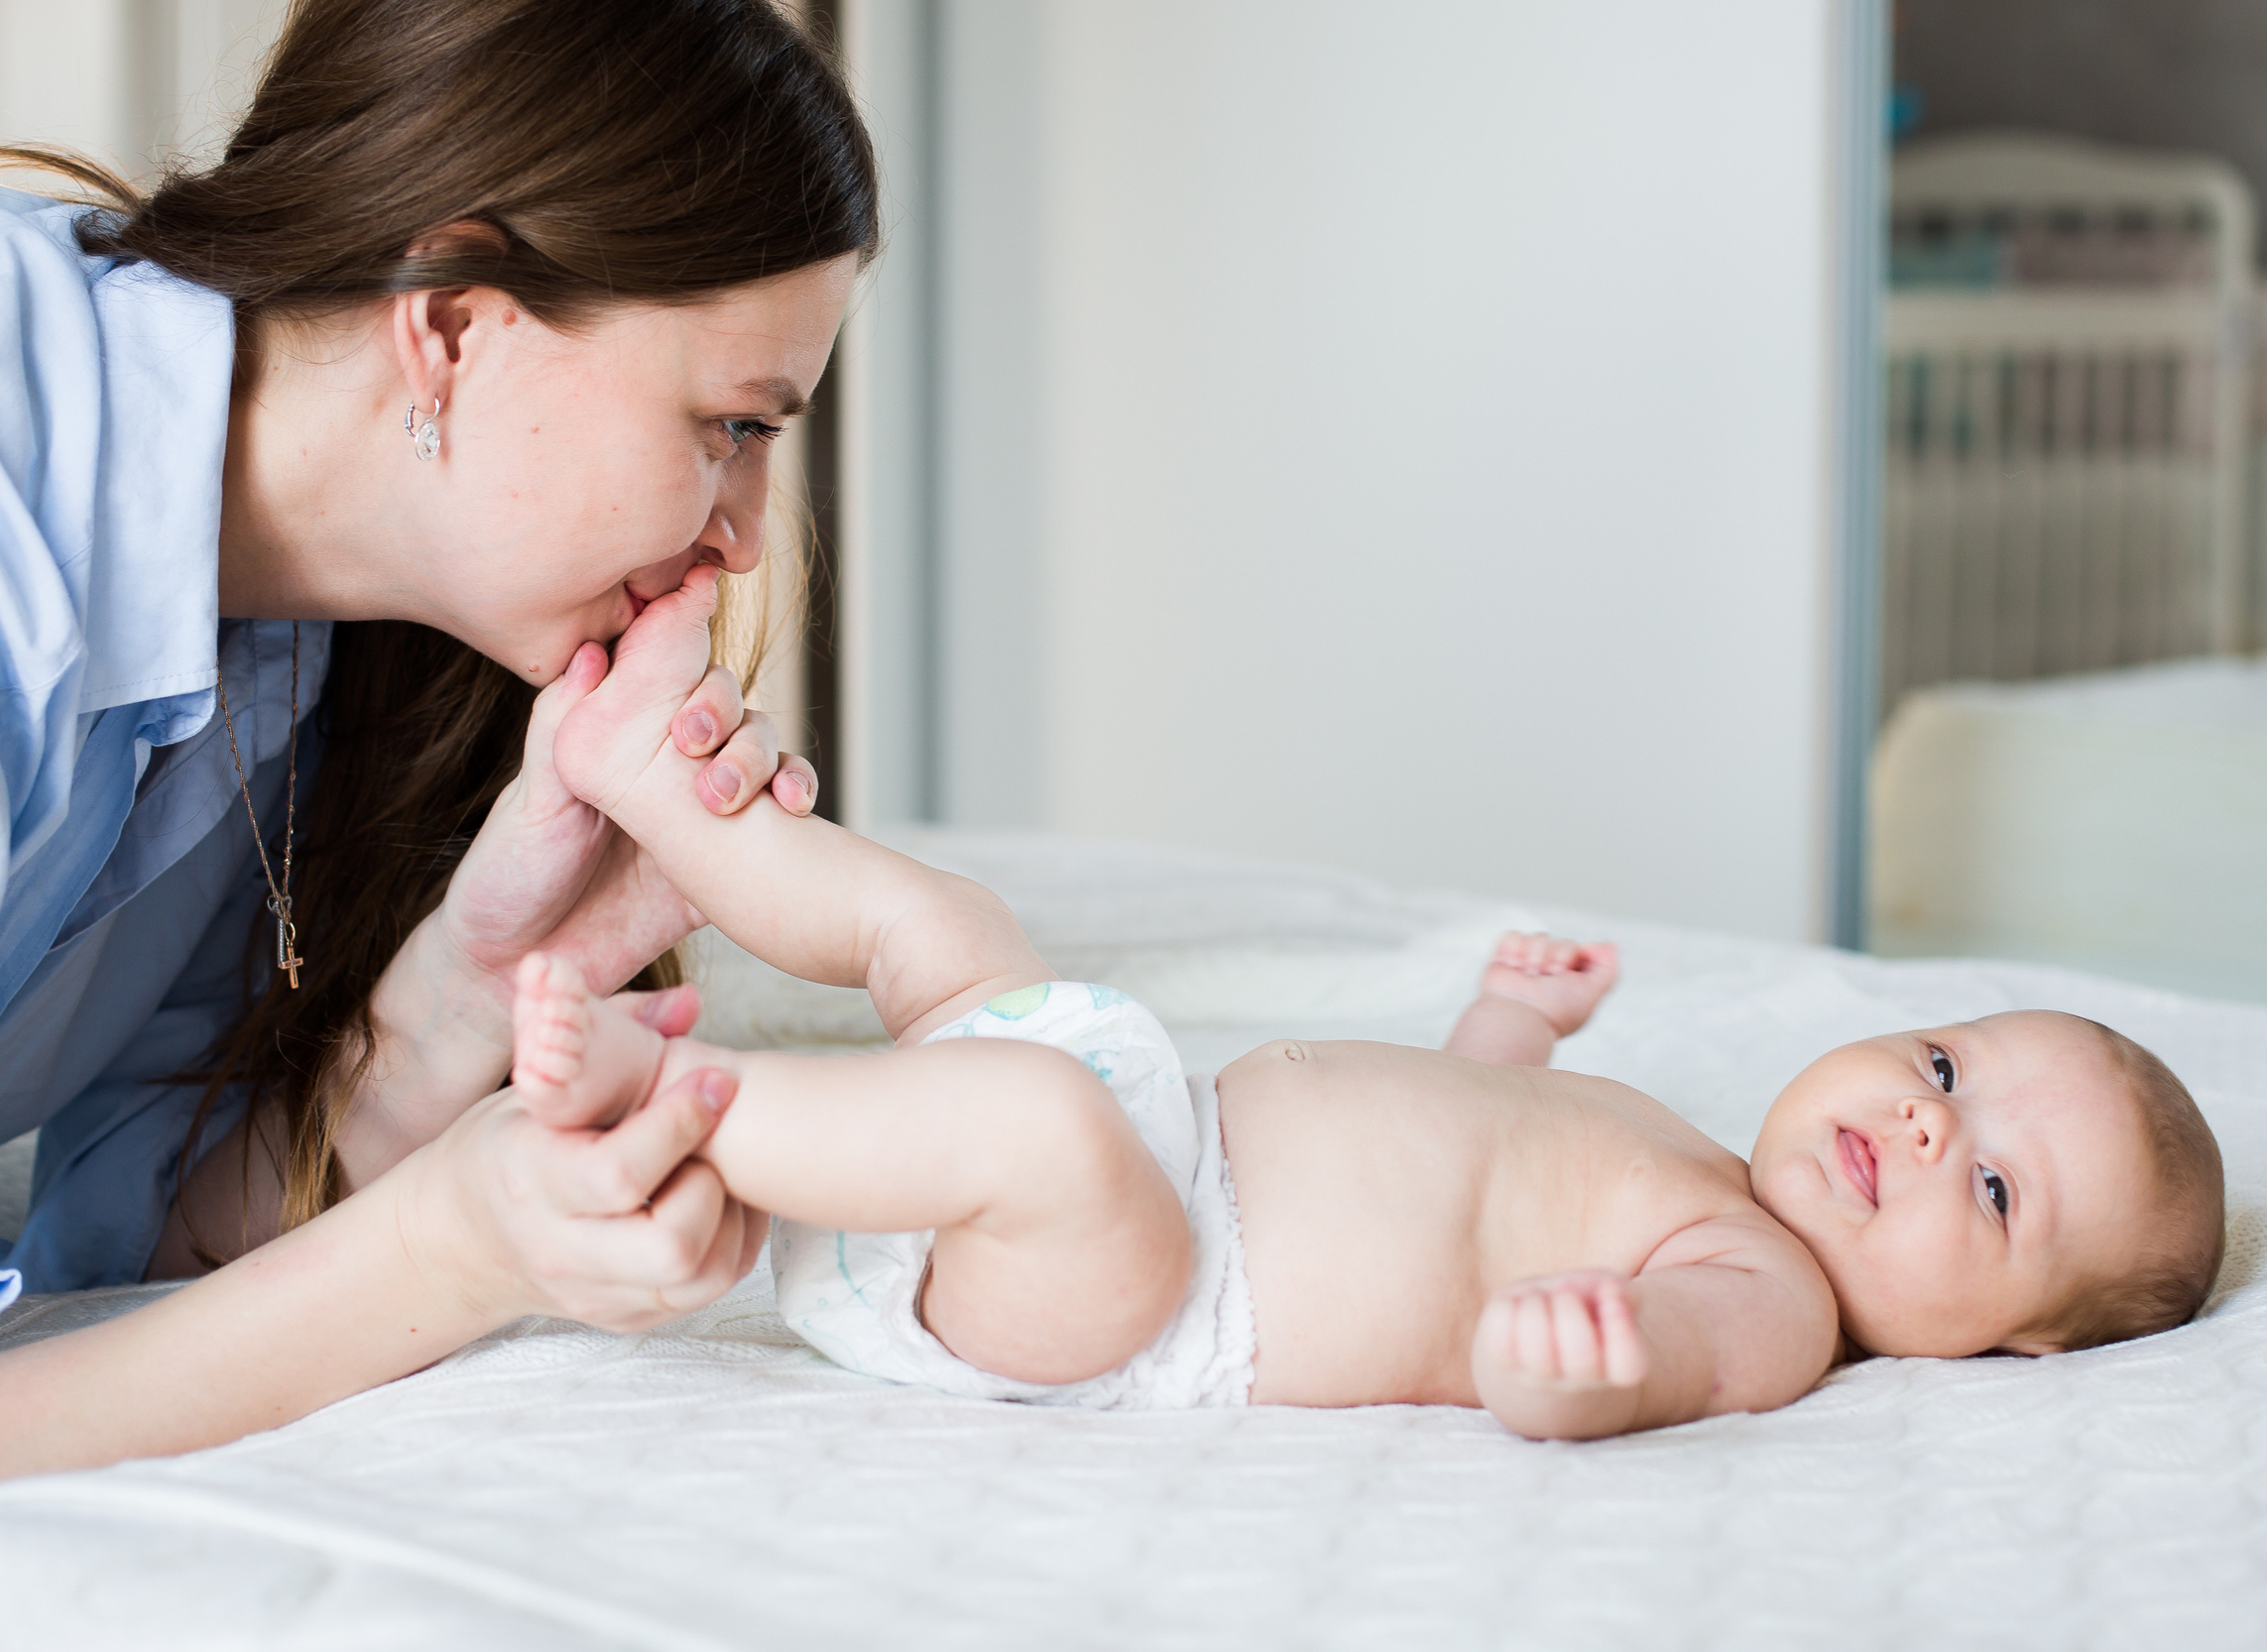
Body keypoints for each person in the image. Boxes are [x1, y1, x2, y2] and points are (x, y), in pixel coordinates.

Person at [0, 0, 870, 1518]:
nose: (748, 537)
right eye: (733, 427)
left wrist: (469, 989)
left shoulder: (271, 633)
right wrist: (453, 1248)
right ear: (455, 326)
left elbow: (130, 1224)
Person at [505, 581, 2230, 1433]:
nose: (1930, 1125)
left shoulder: (1770, 1295)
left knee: (1032, 1127)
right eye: (1945, 1065)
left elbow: (1648, 1357)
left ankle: (680, 1111)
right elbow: (1465, 1158)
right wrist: (1508, 1030)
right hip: (1144, 1117)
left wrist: (1575, 1371)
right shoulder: (1688, 1151)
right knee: (951, 930)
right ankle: (645, 785)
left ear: (2016, 1349)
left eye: (1994, 1190)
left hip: (1139, 1292)